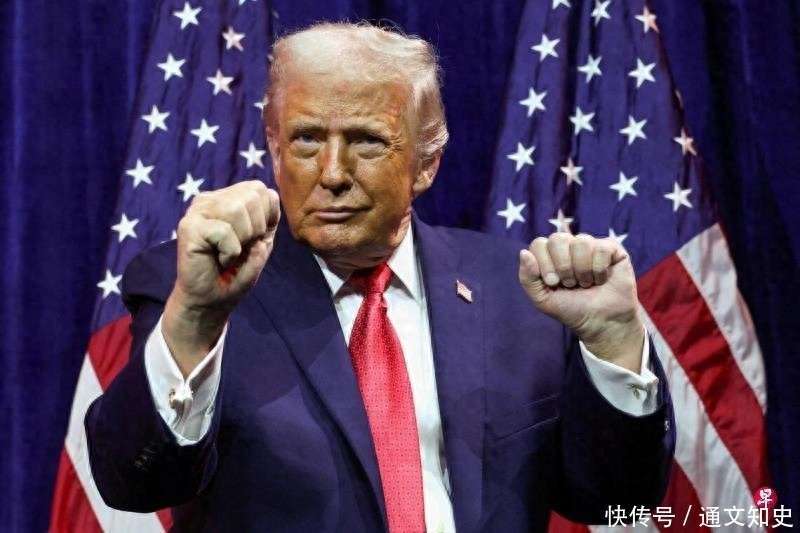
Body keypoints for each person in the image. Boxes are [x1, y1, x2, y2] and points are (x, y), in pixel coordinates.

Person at [85, 22, 675, 533]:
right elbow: (133, 483)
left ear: (426, 163)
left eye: (366, 141)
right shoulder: (198, 287)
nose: (332, 173)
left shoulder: (519, 293)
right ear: (274, 147)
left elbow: (617, 499)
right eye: (307, 139)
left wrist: (615, 345)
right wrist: (194, 319)